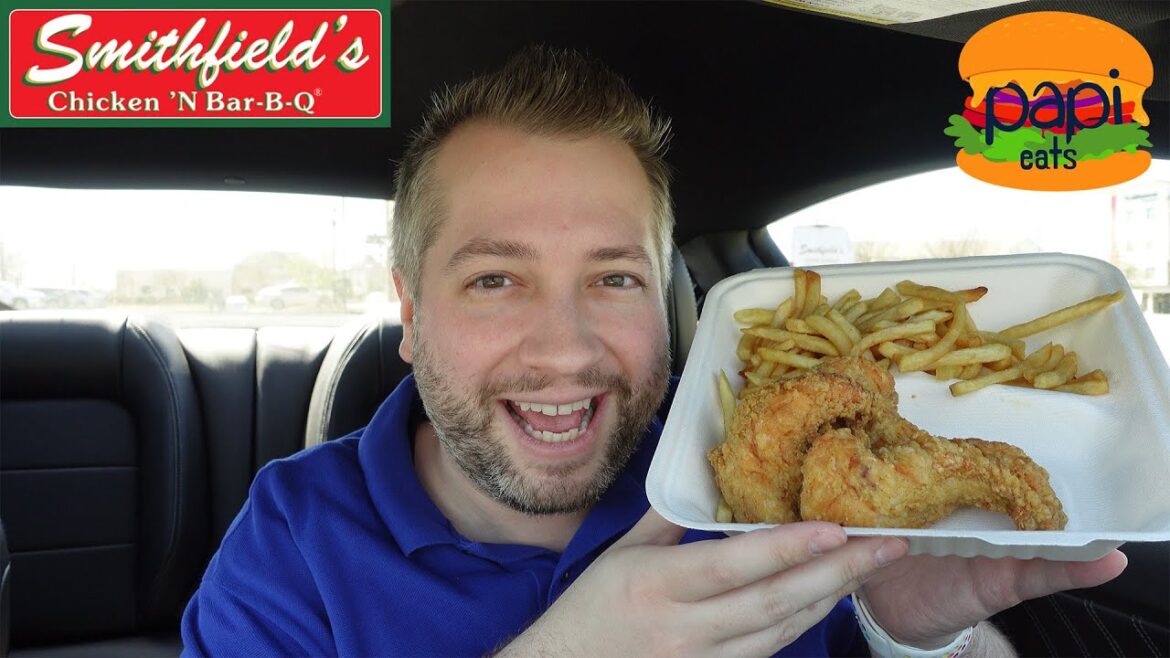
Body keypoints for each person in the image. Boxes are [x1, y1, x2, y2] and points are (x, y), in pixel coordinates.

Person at [180, 45, 1126, 657]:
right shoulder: (290, 544)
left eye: (614, 278)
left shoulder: (763, 472)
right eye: (495, 279)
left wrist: (910, 634)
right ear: (412, 313)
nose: (566, 350)